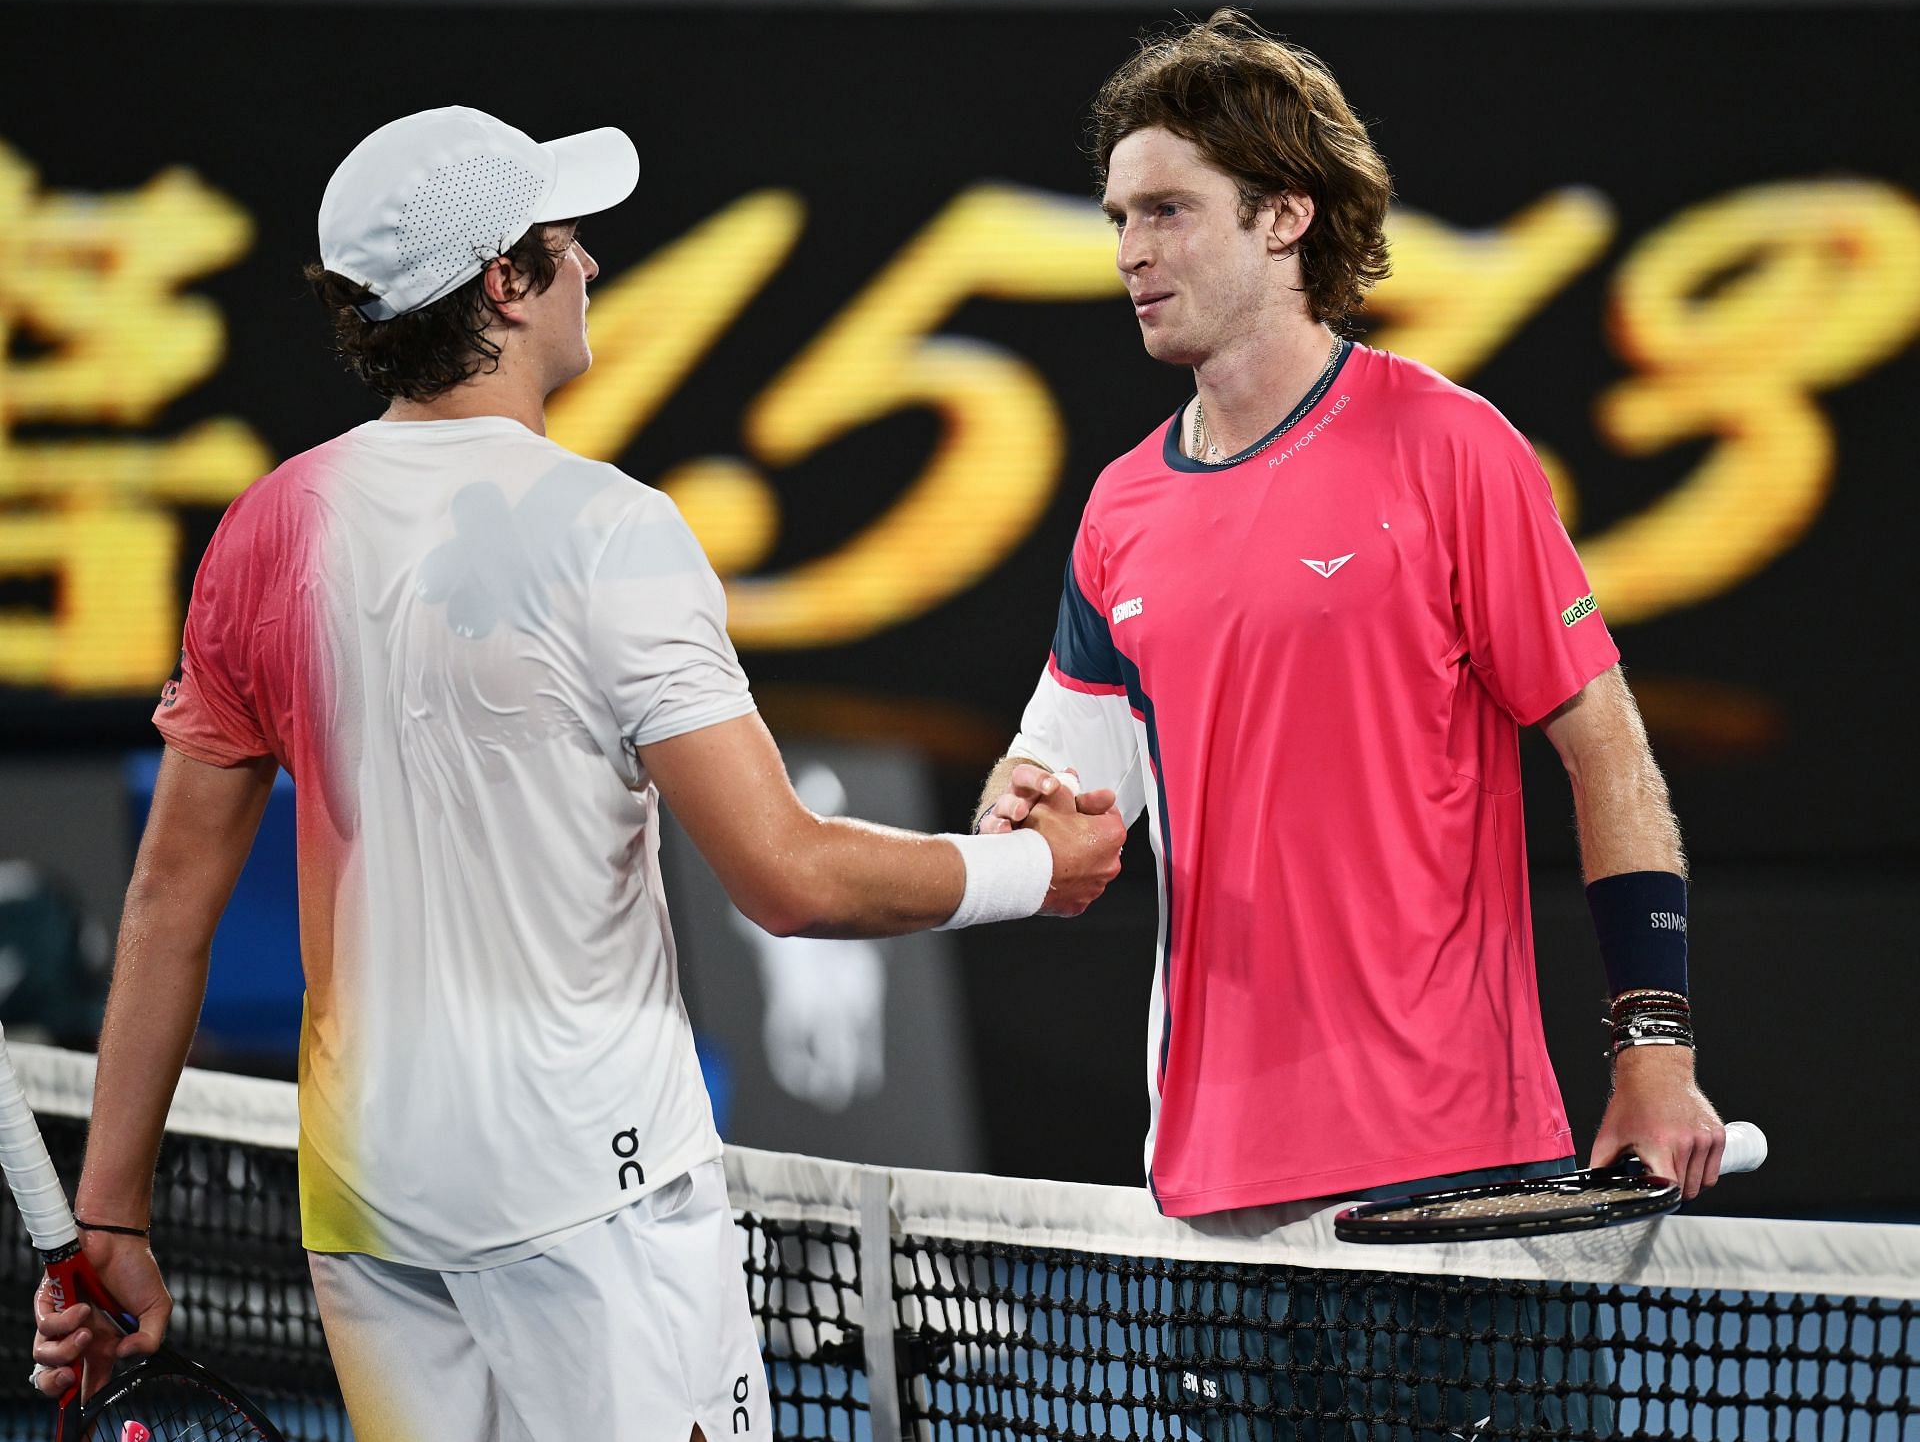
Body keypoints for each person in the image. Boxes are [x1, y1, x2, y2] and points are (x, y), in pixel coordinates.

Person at [28, 105, 1125, 1440]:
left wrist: (111, 1213)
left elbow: (166, 905)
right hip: (591, 1207)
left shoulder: (269, 530)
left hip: (372, 1207)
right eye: (564, 242)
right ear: (503, 283)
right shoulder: (612, 532)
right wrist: (1037, 868)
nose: (592, 263)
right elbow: (787, 878)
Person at [974, 11, 1722, 1437]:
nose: (1131, 249)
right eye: (1121, 215)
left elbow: (1607, 750)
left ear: (1284, 219)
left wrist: (1655, 1046)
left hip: (1461, 1198)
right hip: (1222, 1217)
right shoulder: (1119, 514)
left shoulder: (1450, 448)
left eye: (1171, 210)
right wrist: (1032, 821)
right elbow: (1068, 822)